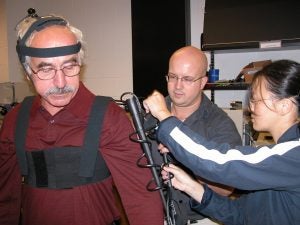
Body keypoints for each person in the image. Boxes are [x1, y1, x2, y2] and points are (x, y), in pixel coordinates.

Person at [0, 9, 164, 225]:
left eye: (69, 66)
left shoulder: (109, 118)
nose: (60, 83)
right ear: (28, 71)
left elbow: (141, 197)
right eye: (46, 69)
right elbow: (5, 199)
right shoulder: (15, 120)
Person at [143, 59, 300, 225]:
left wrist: (163, 116)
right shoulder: (284, 156)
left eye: (256, 100)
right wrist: (191, 186)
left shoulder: (294, 155)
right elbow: (240, 214)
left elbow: (218, 162)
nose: (250, 107)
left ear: (284, 106)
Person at [150, 46, 242, 225]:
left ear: (203, 82)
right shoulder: (151, 114)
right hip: (154, 216)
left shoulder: (220, 125)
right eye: (173, 77)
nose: (177, 86)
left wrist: (184, 157)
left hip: (201, 220)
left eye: (187, 79)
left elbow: (226, 189)